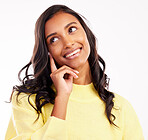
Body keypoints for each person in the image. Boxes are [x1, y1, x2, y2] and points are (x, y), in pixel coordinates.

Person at [5, 4, 144, 140]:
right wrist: (62, 98)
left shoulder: (121, 108)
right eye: (54, 39)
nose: (68, 43)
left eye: (71, 29)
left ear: (86, 33)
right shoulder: (28, 100)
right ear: (47, 52)